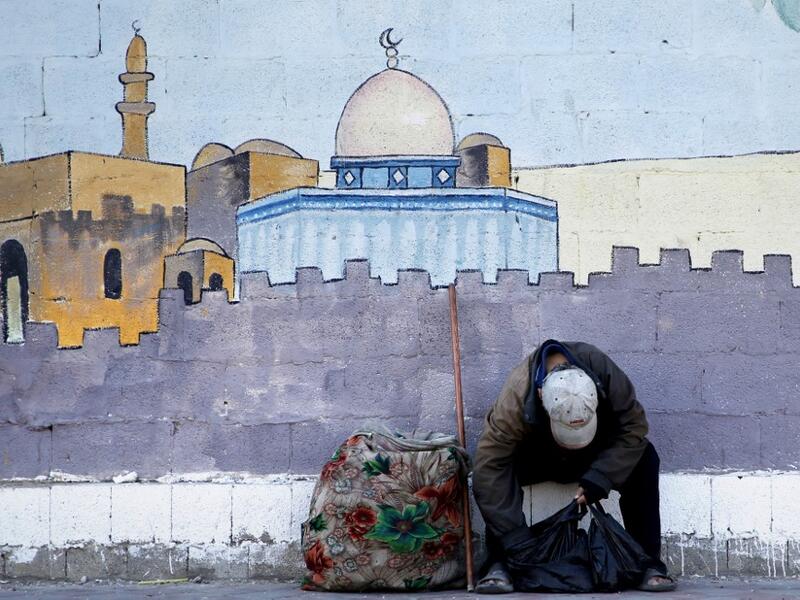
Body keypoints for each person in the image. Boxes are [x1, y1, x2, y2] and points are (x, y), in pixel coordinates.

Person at [472, 339, 676, 593]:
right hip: (541, 454)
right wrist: (515, 539)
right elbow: (490, 464)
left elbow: (634, 428)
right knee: (499, 469)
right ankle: (499, 563)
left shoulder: (604, 373)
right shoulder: (516, 395)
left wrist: (602, 476)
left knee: (646, 457)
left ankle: (648, 563)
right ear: (540, 395)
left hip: (596, 454)